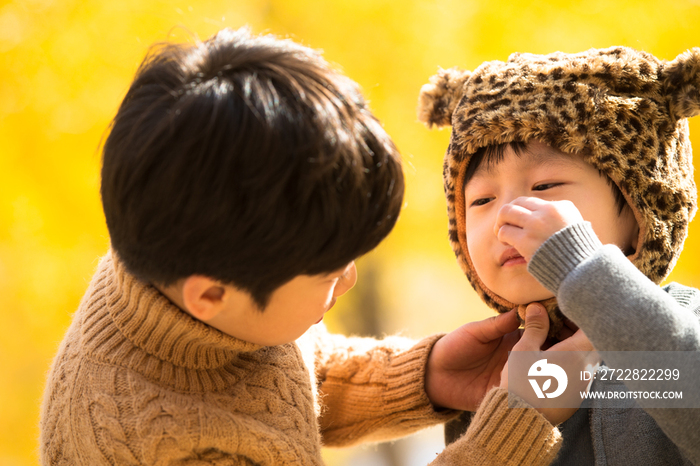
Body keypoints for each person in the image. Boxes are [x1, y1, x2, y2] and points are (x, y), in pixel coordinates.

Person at [39, 26, 553, 465]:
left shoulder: (182, 248)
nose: (348, 278)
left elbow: (264, 373)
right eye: (326, 274)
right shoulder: (159, 444)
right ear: (211, 294)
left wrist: (427, 374)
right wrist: (512, 435)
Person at [418, 46, 700, 464]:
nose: (507, 217)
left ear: (642, 209)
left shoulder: (677, 330)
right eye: (481, 200)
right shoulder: (492, 373)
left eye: (546, 186)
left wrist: (583, 269)